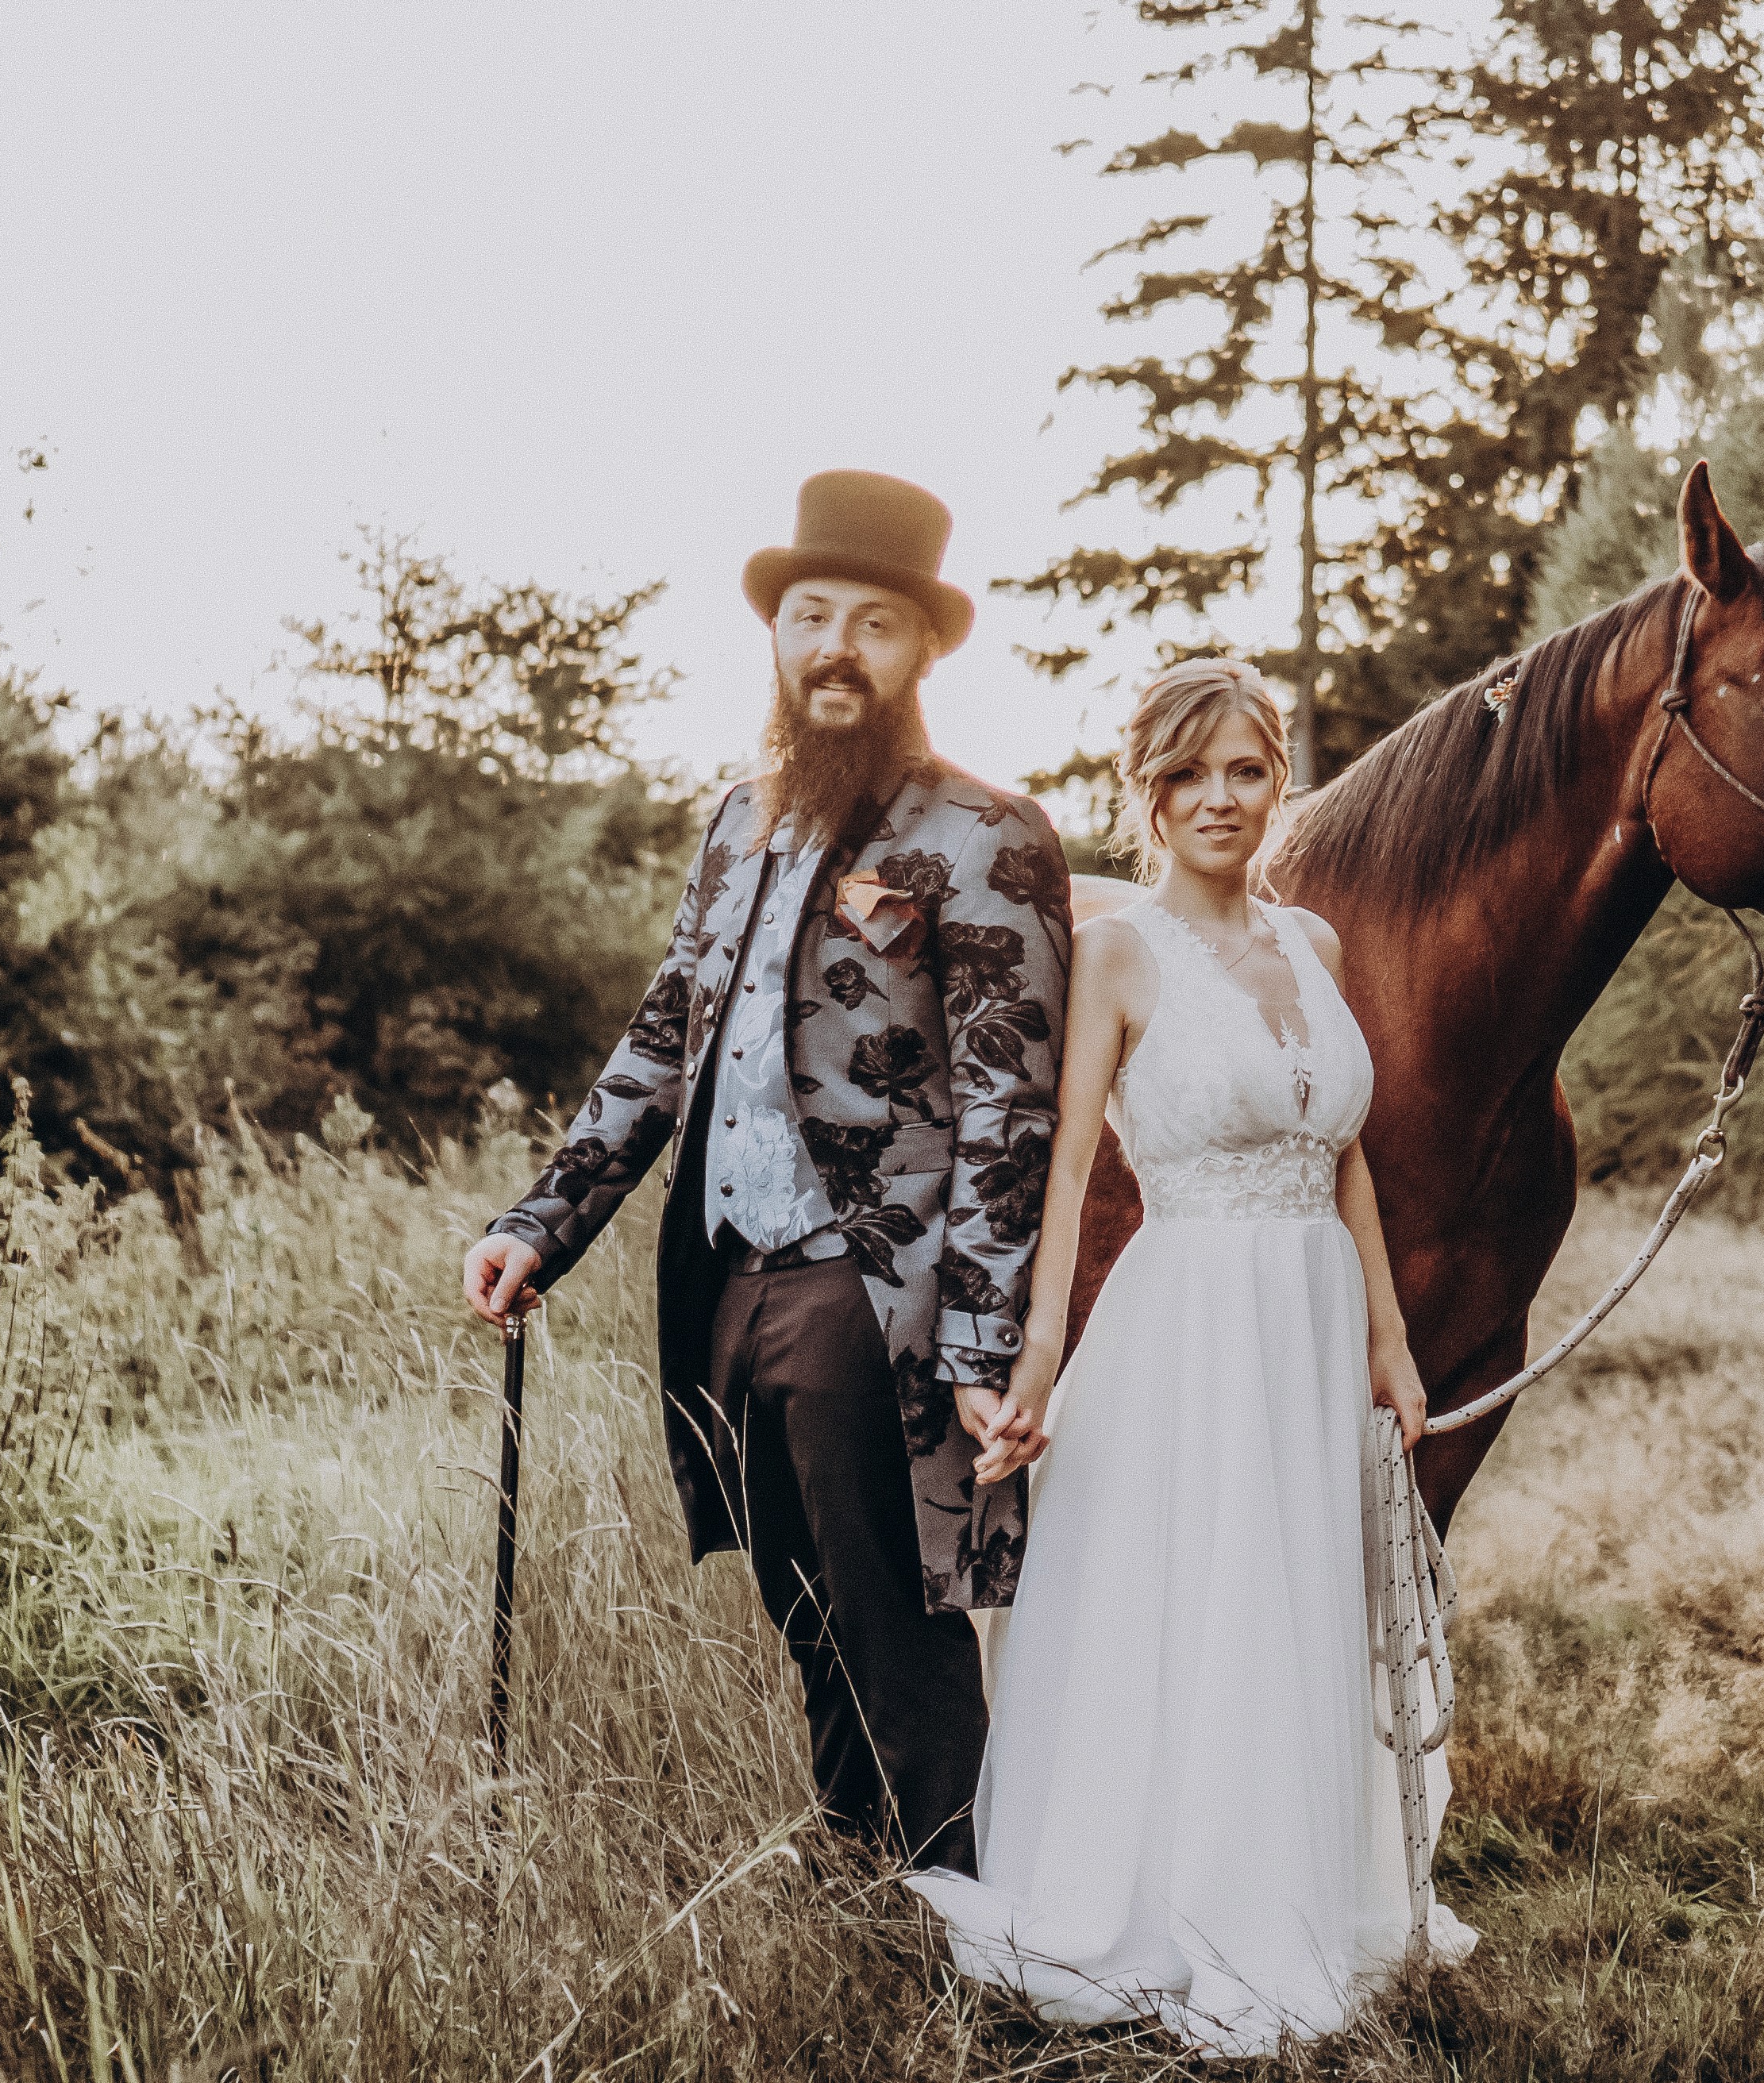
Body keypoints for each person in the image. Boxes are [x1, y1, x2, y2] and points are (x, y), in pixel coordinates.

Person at [461, 469, 1071, 1877]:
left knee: (893, 1610)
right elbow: (665, 1035)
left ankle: (960, 1916)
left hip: (875, 1286)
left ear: (924, 652)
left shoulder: (987, 837)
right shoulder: (740, 820)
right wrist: (541, 1222)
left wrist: (980, 1338)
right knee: (802, 1599)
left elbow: (1009, 1109)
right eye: (810, 616)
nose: (835, 646)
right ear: (779, 638)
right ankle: (858, 1857)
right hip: (724, 1274)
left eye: (872, 621)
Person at [907, 660, 1475, 2055]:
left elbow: (1342, 1157)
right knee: (1197, 1598)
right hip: (1186, 1321)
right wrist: (1038, 1354)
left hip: (1311, 1321)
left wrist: (1390, 1343)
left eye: (1245, 771)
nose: (1219, 800)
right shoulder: (1117, 953)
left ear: (1277, 780)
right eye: (1188, 776)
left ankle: (1301, 1888)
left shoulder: (1319, 948)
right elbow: (1058, 1172)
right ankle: (1172, 1907)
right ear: (1146, 795)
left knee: (1294, 1594)